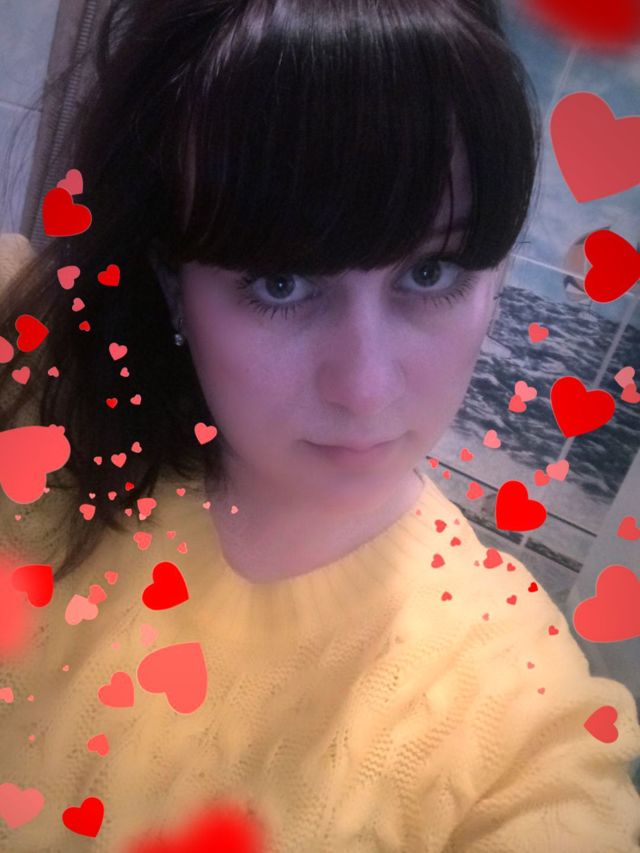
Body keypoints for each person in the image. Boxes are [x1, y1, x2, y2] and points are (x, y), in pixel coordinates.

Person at [0, 1, 639, 851]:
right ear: (173, 284)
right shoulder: (39, 381)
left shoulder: (515, 722)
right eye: (280, 282)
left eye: (432, 271)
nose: (366, 390)